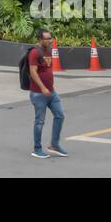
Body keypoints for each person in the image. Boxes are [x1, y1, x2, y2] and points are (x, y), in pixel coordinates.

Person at [27, 28, 67, 159]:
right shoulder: (34, 52)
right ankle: (37, 149)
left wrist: (49, 88)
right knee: (39, 121)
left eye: (50, 38)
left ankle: (54, 144)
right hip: (39, 94)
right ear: (40, 39)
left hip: (51, 92)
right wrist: (43, 88)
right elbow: (33, 72)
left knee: (60, 115)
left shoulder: (48, 50)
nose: (50, 40)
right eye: (47, 38)